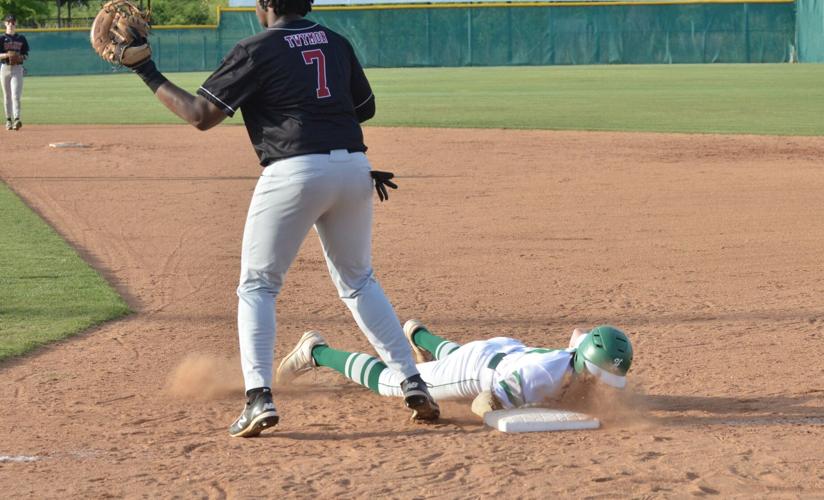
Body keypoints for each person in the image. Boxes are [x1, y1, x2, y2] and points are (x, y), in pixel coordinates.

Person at [121, 0, 440, 437]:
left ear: (266, 4)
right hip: (353, 169)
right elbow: (363, 108)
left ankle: (258, 399)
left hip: (294, 172)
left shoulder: (256, 49)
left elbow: (201, 116)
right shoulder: (336, 41)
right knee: (359, 280)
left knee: (258, 285)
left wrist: (146, 71)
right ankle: (411, 381)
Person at [276, 320, 634, 416]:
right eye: (596, 376)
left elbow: (580, 337)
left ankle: (419, 334)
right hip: (479, 370)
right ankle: (317, 351)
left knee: (456, 356)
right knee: (391, 382)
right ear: (583, 364)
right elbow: (483, 403)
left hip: (504, 350)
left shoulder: (577, 355)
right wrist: (530, 411)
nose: (599, 385)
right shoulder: (541, 376)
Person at [1, 14, 29, 131]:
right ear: (5, 24)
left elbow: (26, 55)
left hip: (17, 68)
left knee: (15, 95)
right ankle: (8, 120)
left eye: (13, 22)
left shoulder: (21, 38)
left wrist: (20, 57)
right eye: (9, 22)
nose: (11, 24)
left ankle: (17, 119)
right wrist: (7, 55)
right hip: (4, 68)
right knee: (7, 96)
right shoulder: (1, 39)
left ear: (15, 24)